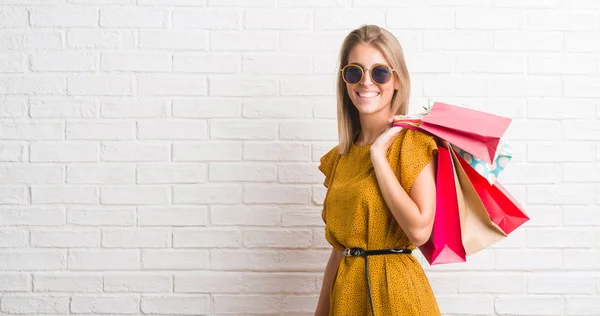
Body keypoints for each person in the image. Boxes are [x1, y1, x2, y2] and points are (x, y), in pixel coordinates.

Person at [314, 25, 441, 316]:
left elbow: (420, 230)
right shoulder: (339, 158)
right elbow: (338, 251)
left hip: (398, 296)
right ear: (344, 81)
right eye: (354, 72)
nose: (366, 82)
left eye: (380, 72)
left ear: (397, 80)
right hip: (346, 298)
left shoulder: (413, 144)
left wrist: (378, 156)